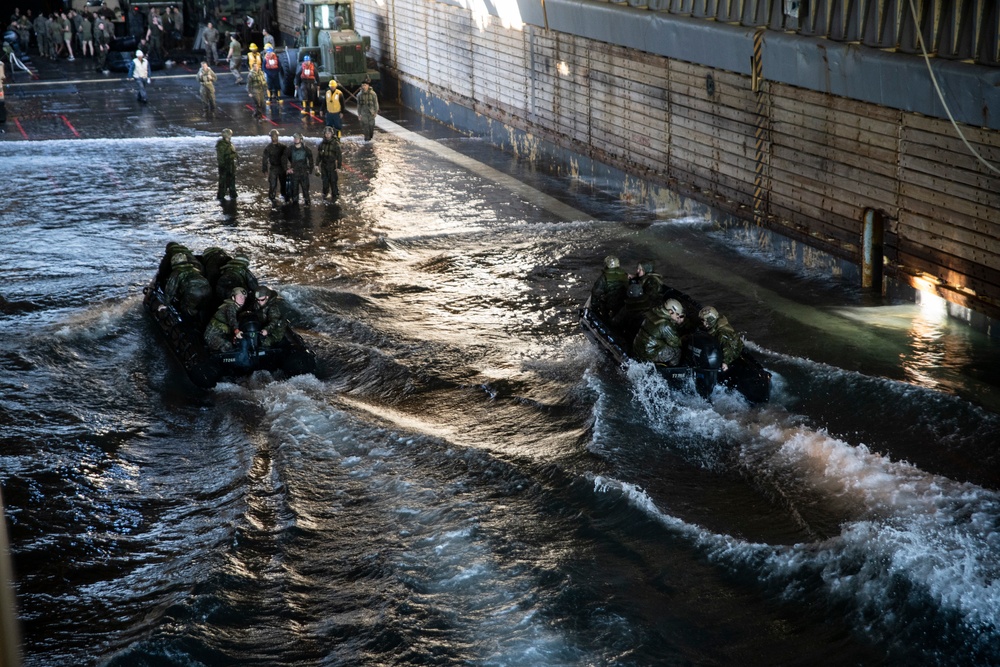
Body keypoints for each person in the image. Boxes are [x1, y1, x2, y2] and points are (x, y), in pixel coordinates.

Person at [633, 298, 687, 365]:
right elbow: (675, 342)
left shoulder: (654, 312)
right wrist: (682, 339)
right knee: (676, 351)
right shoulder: (665, 324)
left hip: (638, 347)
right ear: (670, 311)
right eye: (677, 315)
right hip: (648, 353)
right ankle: (673, 371)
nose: (678, 318)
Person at [161, 252, 212, 324]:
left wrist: (165, 303)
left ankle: (189, 326)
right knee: (203, 308)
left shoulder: (176, 272)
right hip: (207, 288)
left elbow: (170, 289)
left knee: (187, 309)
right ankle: (202, 324)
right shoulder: (194, 269)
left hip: (193, 291)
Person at [698, 306, 743, 372]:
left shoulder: (723, 332)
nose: (704, 323)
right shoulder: (714, 326)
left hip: (732, 354)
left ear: (711, 320)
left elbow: (729, 347)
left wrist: (725, 362)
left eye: (705, 321)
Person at [204, 286, 247, 352]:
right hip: (212, 336)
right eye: (240, 296)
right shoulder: (230, 306)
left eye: (244, 297)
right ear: (233, 297)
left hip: (222, 335)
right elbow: (232, 320)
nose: (242, 299)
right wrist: (237, 331)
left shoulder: (236, 308)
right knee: (228, 346)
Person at [590, 255, 629, 319]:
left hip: (610, 304)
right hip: (623, 304)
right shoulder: (625, 275)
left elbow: (596, 293)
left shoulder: (603, 278)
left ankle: (605, 319)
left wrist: (594, 307)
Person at [286, 132, 314, 205]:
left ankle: (307, 204)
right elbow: (283, 158)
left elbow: (311, 159)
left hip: (303, 173)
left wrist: (310, 169)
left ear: (301, 139)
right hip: (294, 173)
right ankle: (295, 206)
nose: (295, 140)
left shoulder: (305, 149)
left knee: (306, 191)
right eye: (294, 138)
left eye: (297, 138)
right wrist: (287, 169)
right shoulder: (290, 149)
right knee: (294, 192)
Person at [317, 125, 343, 200]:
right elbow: (319, 155)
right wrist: (316, 164)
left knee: (333, 182)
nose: (327, 135)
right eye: (326, 133)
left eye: (329, 133)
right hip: (324, 165)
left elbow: (339, 156)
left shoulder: (335, 144)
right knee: (325, 183)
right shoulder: (322, 144)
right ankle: (325, 195)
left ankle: (335, 197)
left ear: (332, 134)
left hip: (332, 166)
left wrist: (338, 166)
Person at [262, 129, 288, 204]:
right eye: (273, 136)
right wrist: (265, 170)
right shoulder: (268, 148)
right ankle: (272, 198)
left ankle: (284, 195)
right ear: (271, 137)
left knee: (283, 184)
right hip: (273, 168)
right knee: (273, 185)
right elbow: (264, 160)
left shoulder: (283, 147)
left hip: (282, 167)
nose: (274, 138)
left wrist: (291, 167)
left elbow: (288, 156)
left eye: (276, 136)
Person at [216, 128, 238, 200]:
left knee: (232, 181)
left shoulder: (229, 143)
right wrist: (232, 156)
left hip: (231, 166)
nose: (230, 136)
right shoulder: (221, 145)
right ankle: (221, 196)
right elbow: (221, 157)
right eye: (229, 134)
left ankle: (233, 195)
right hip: (224, 166)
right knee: (223, 183)